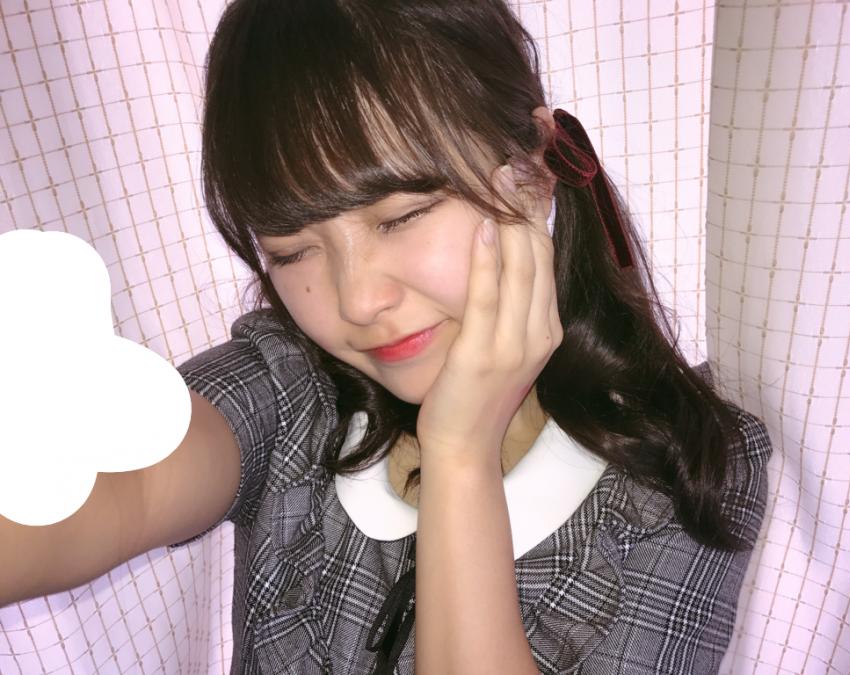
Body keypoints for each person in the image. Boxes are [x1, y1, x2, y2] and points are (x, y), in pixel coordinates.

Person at [0, 0, 772, 673]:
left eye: (401, 216)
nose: (359, 300)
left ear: (534, 171)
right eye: (292, 252)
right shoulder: (289, 386)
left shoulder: (687, 471)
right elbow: (118, 489)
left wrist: (460, 453)